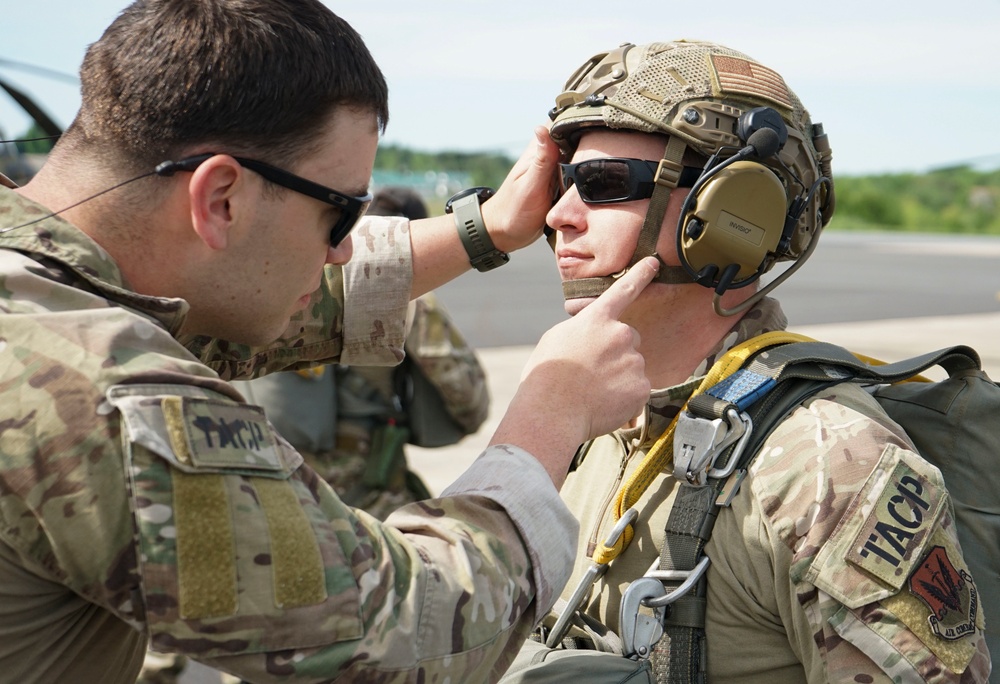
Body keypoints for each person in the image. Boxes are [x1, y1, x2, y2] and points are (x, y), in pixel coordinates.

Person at [0, 2, 659, 682]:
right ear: (220, 198)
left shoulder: (41, 291)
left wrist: (485, 228)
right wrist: (551, 414)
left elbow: (236, 298)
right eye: (340, 212)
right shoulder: (95, 388)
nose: (343, 250)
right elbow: (404, 637)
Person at [501, 40, 991, 683]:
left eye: (602, 184)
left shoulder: (827, 464)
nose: (559, 215)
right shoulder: (586, 417)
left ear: (737, 213)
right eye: (566, 183)